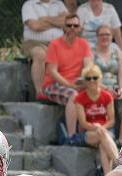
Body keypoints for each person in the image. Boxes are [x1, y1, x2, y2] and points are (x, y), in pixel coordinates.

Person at [43, 13, 92, 141]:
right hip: (53, 85)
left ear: (79, 28)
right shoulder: (54, 44)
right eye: (69, 25)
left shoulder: (84, 44)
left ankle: (90, 134)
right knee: (74, 96)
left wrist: (85, 80)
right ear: (64, 27)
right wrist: (69, 85)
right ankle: (71, 137)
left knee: (96, 93)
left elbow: (88, 66)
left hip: (75, 83)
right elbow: (52, 72)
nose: (72, 28)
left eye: (75, 25)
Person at [73, 64, 119, 176]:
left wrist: (101, 128)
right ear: (85, 81)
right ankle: (120, 164)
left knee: (103, 143)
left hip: (105, 130)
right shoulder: (79, 98)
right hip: (88, 133)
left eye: (95, 77)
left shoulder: (107, 96)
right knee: (101, 135)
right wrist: (96, 127)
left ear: (100, 78)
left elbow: (112, 120)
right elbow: (83, 123)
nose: (92, 81)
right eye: (88, 78)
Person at [22, 0, 68, 99]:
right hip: (35, 42)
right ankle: (40, 92)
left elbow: (67, 21)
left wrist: (46, 19)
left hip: (58, 43)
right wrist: (56, 21)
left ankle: (65, 89)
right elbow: (35, 26)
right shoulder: (29, 5)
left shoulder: (59, 4)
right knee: (40, 54)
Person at [92, 24, 122, 102]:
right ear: (97, 37)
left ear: (112, 36)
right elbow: (90, 76)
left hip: (115, 87)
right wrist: (107, 90)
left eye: (107, 34)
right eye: (101, 35)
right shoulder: (91, 53)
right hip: (97, 87)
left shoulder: (117, 51)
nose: (104, 37)